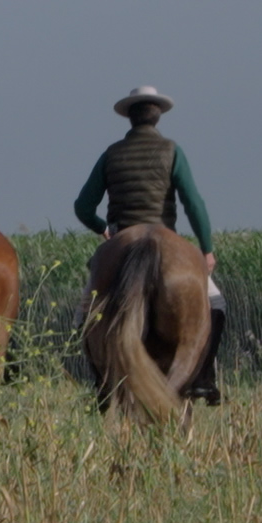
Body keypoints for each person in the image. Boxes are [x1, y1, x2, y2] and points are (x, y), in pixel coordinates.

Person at [73, 86, 227, 403]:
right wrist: (206, 247)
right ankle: (202, 378)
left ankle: (102, 385)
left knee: (83, 317)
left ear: (130, 118)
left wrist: (104, 231)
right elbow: (193, 203)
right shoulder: (172, 150)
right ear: (157, 117)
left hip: (121, 235)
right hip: (164, 232)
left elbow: (83, 206)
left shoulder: (111, 153)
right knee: (217, 305)